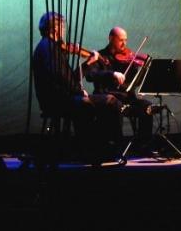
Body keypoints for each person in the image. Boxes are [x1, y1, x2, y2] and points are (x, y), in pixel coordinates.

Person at [32, 12, 123, 159]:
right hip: (58, 101)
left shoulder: (48, 47)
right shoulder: (49, 49)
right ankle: (111, 148)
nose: (64, 30)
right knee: (112, 101)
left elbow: (68, 78)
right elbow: (61, 77)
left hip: (59, 98)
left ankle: (97, 147)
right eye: (62, 27)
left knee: (104, 101)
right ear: (55, 29)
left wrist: (88, 63)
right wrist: (79, 92)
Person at [83, 26, 154, 152]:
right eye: (121, 40)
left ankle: (143, 144)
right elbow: (90, 76)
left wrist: (141, 69)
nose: (124, 44)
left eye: (125, 40)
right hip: (108, 99)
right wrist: (112, 74)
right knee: (115, 106)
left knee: (147, 106)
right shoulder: (99, 56)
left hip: (128, 98)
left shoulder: (128, 57)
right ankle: (117, 146)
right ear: (111, 38)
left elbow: (133, 82)